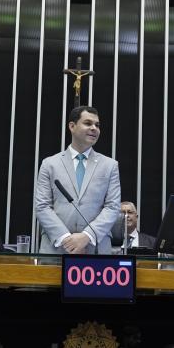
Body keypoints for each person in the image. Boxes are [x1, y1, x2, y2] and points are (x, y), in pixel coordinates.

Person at [35, 106, 122, 254]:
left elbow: (112, 207)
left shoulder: (110, 165)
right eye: (88, 123)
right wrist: (67, 239)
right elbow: (42, 206)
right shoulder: (50, 164)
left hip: (96, 248)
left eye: (97, 125)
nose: (94, 128)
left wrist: (86, 236)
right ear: (72, 126)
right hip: (57, 248)